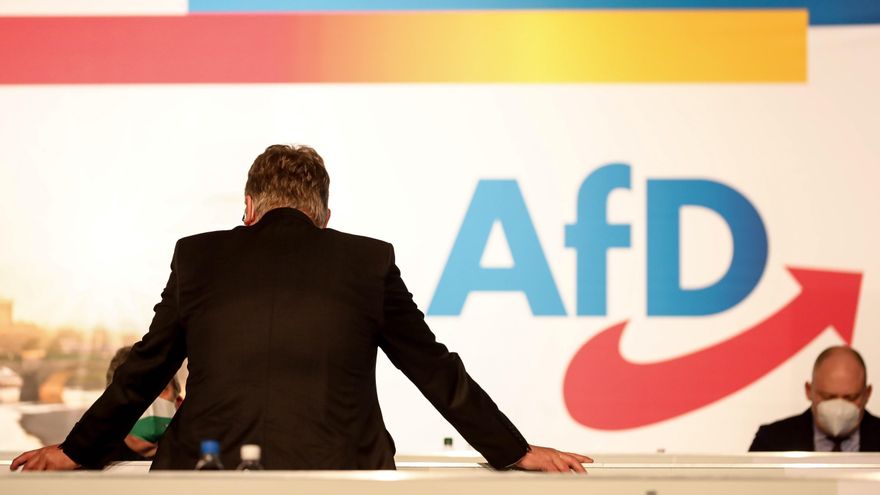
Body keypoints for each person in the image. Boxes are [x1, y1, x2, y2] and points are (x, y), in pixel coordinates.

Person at [12, 144, 590, 472]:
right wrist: (514, 450)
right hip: (342, 475)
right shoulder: (369, 261)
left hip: (206, 475)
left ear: (247, 208)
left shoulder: (197, 256)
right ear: (325, 216)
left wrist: (75, 450)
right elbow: (431, 367)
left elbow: (148, 364)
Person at [749, 346, 880, 452]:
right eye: (828, 397)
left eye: (850, 398)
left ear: (867, 394)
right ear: (808, 391)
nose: (839, 408)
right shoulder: (772, 441)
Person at [106, 346, 182, 460]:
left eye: (160, 388)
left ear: (178, 403)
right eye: (134, 391)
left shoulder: (204, 461)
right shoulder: (95, 468)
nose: (149, 401)